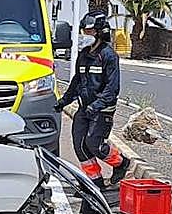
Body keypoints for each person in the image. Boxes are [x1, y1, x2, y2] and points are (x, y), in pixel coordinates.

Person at [55, 11, 130, 188]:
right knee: (80, 145)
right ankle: (95, 181)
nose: (84, 35)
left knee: (94, 144)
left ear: (99, 32)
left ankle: (121, 163)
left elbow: (112, 89)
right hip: (84, 108)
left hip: (102, 109)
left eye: (89, 31)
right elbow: (77, 81)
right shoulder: (83, 55)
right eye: (84, 31)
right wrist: (64, 101)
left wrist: (96, 105)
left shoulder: (109, 56)